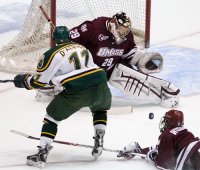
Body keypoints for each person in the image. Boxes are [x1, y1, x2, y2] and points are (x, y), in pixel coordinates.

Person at [13, 26, 112, 168]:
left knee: (51, 117)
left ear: (53, 39)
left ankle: (42, 155)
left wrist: (25, 81)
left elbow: (39, 82)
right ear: (69, 37)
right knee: (100, 109)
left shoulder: (50, 54)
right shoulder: (82, 48)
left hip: (78, 91)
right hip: (102, 86)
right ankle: (99, 138)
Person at [36, 12, 180, 107]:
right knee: (69, 64)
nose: (123, 34)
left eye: (125, 31)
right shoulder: (93, 28)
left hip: (110, 72)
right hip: (87, 71)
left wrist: (142, 59)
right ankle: (51, 87)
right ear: (112, 24)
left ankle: (163, 96)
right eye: (121, 30)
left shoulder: (127, 37)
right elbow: (68, 43)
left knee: (129, 76)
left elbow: (129, 54)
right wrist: (63, 39)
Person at [117, 109, 200, 169]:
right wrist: (140, 151)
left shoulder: (167, 134)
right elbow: (162, 147)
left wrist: (150, 156)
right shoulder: (184, 132)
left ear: (171, 121)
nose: (165, 122)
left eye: (166, 120)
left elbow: (164, 165)